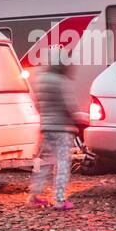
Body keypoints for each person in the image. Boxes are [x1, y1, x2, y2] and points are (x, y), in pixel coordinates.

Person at [27, 57, 81, 211]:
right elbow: (69, 105)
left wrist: (45, 118)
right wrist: (76, 120)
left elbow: (37, 104)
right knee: (63, 163)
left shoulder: (40, 79)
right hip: (61, 129)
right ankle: (59, 200)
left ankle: (33, 196)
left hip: (45, 128)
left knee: (41, 164)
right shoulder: (61, 81)